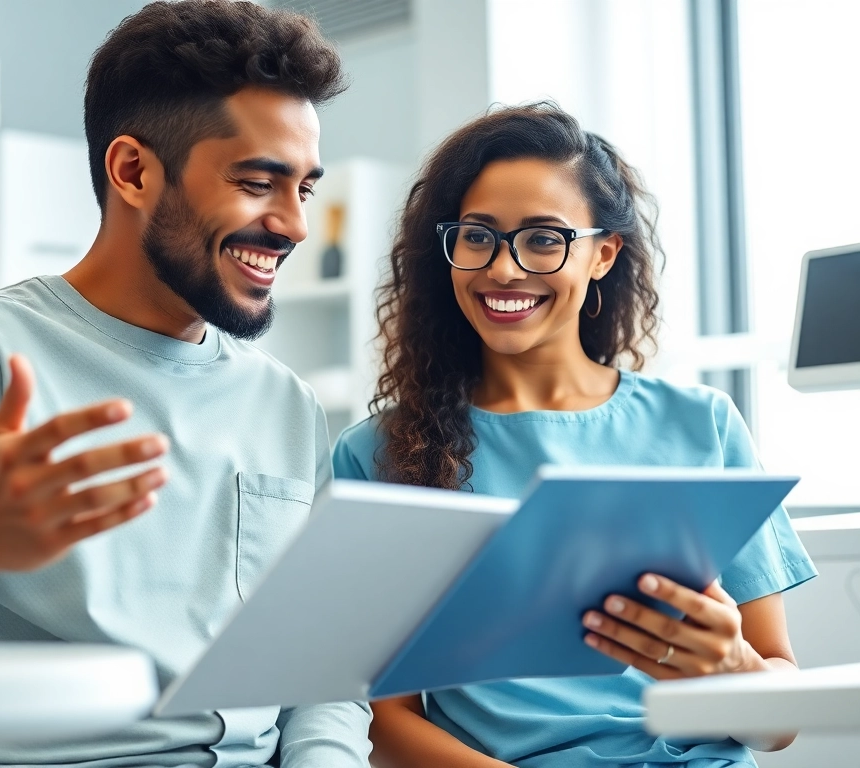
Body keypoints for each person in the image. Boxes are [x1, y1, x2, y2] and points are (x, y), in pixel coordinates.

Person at [0, 3, 373, 766]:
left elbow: (321, 671)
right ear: (134, 172)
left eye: (304, 190)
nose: (292, 225)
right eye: (258, 183)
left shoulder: (287, 405)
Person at [333, 103, 817, 768]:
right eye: (478, 236)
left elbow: (779, 726)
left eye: (543, 239)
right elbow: (382, 721)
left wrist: (733, 663)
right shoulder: (377, 455)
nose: (504, 268)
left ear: (602, 255)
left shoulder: (702, 425)